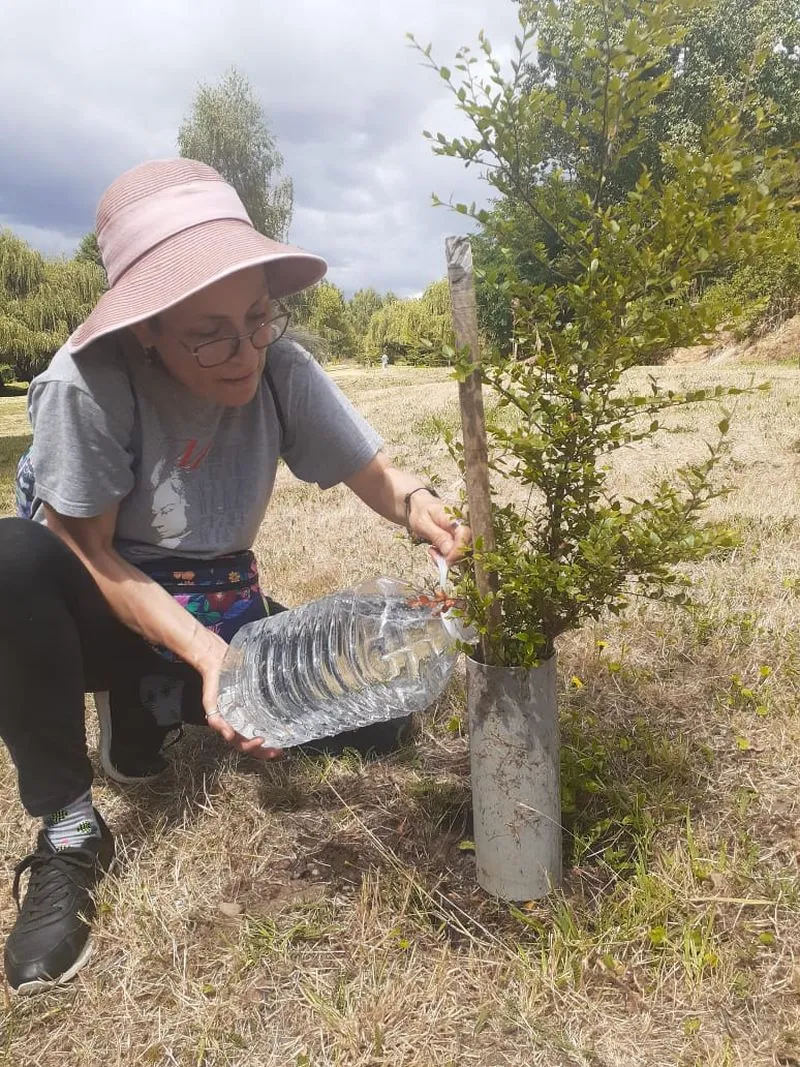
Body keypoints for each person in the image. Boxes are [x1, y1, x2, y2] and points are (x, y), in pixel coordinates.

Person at [0, 158, 470, 995]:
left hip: (221, 598)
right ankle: (71, 831)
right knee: (9, 559)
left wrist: (419, 507)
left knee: (380, 727)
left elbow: (375, 471)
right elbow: (90, 552)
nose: (243, 350)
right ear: (146, 327)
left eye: (257, 317)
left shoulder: (278, 368)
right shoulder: (89, 385)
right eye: (208, 332)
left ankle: (159, 706)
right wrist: (210, 656)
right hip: (97, 607)